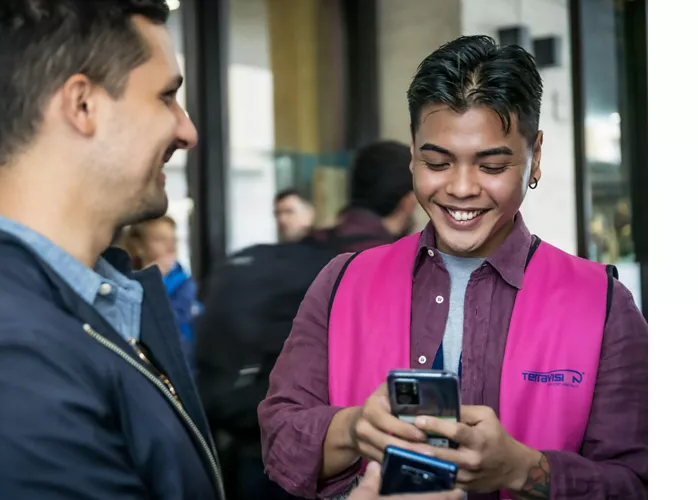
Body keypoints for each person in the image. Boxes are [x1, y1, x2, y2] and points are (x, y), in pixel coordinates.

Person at [258, 35, 647, 500]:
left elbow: (640, 480)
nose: (461, 189)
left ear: (535, 156)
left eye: (492, 165)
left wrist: (523, 469)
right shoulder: (343, 282)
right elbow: (280, 436)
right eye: (437, 162)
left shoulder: (601, 304)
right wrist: (356, 427)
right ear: (412, 151)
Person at [0, 1, 218, 499]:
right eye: (165, 98)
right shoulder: (6, 356)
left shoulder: (80, 302)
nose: (187, 130)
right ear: (82, 105)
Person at [194, 140, 416, 500]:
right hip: (340, 469)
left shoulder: (306, 251)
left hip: (251, 451)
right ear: (408, 202)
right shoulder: (389, 270)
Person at [121, 216, 200, 371]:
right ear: (138, 247)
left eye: (174, 240)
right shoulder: (123, 284)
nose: (170, 247)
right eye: (160, 240)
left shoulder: (184, 283)